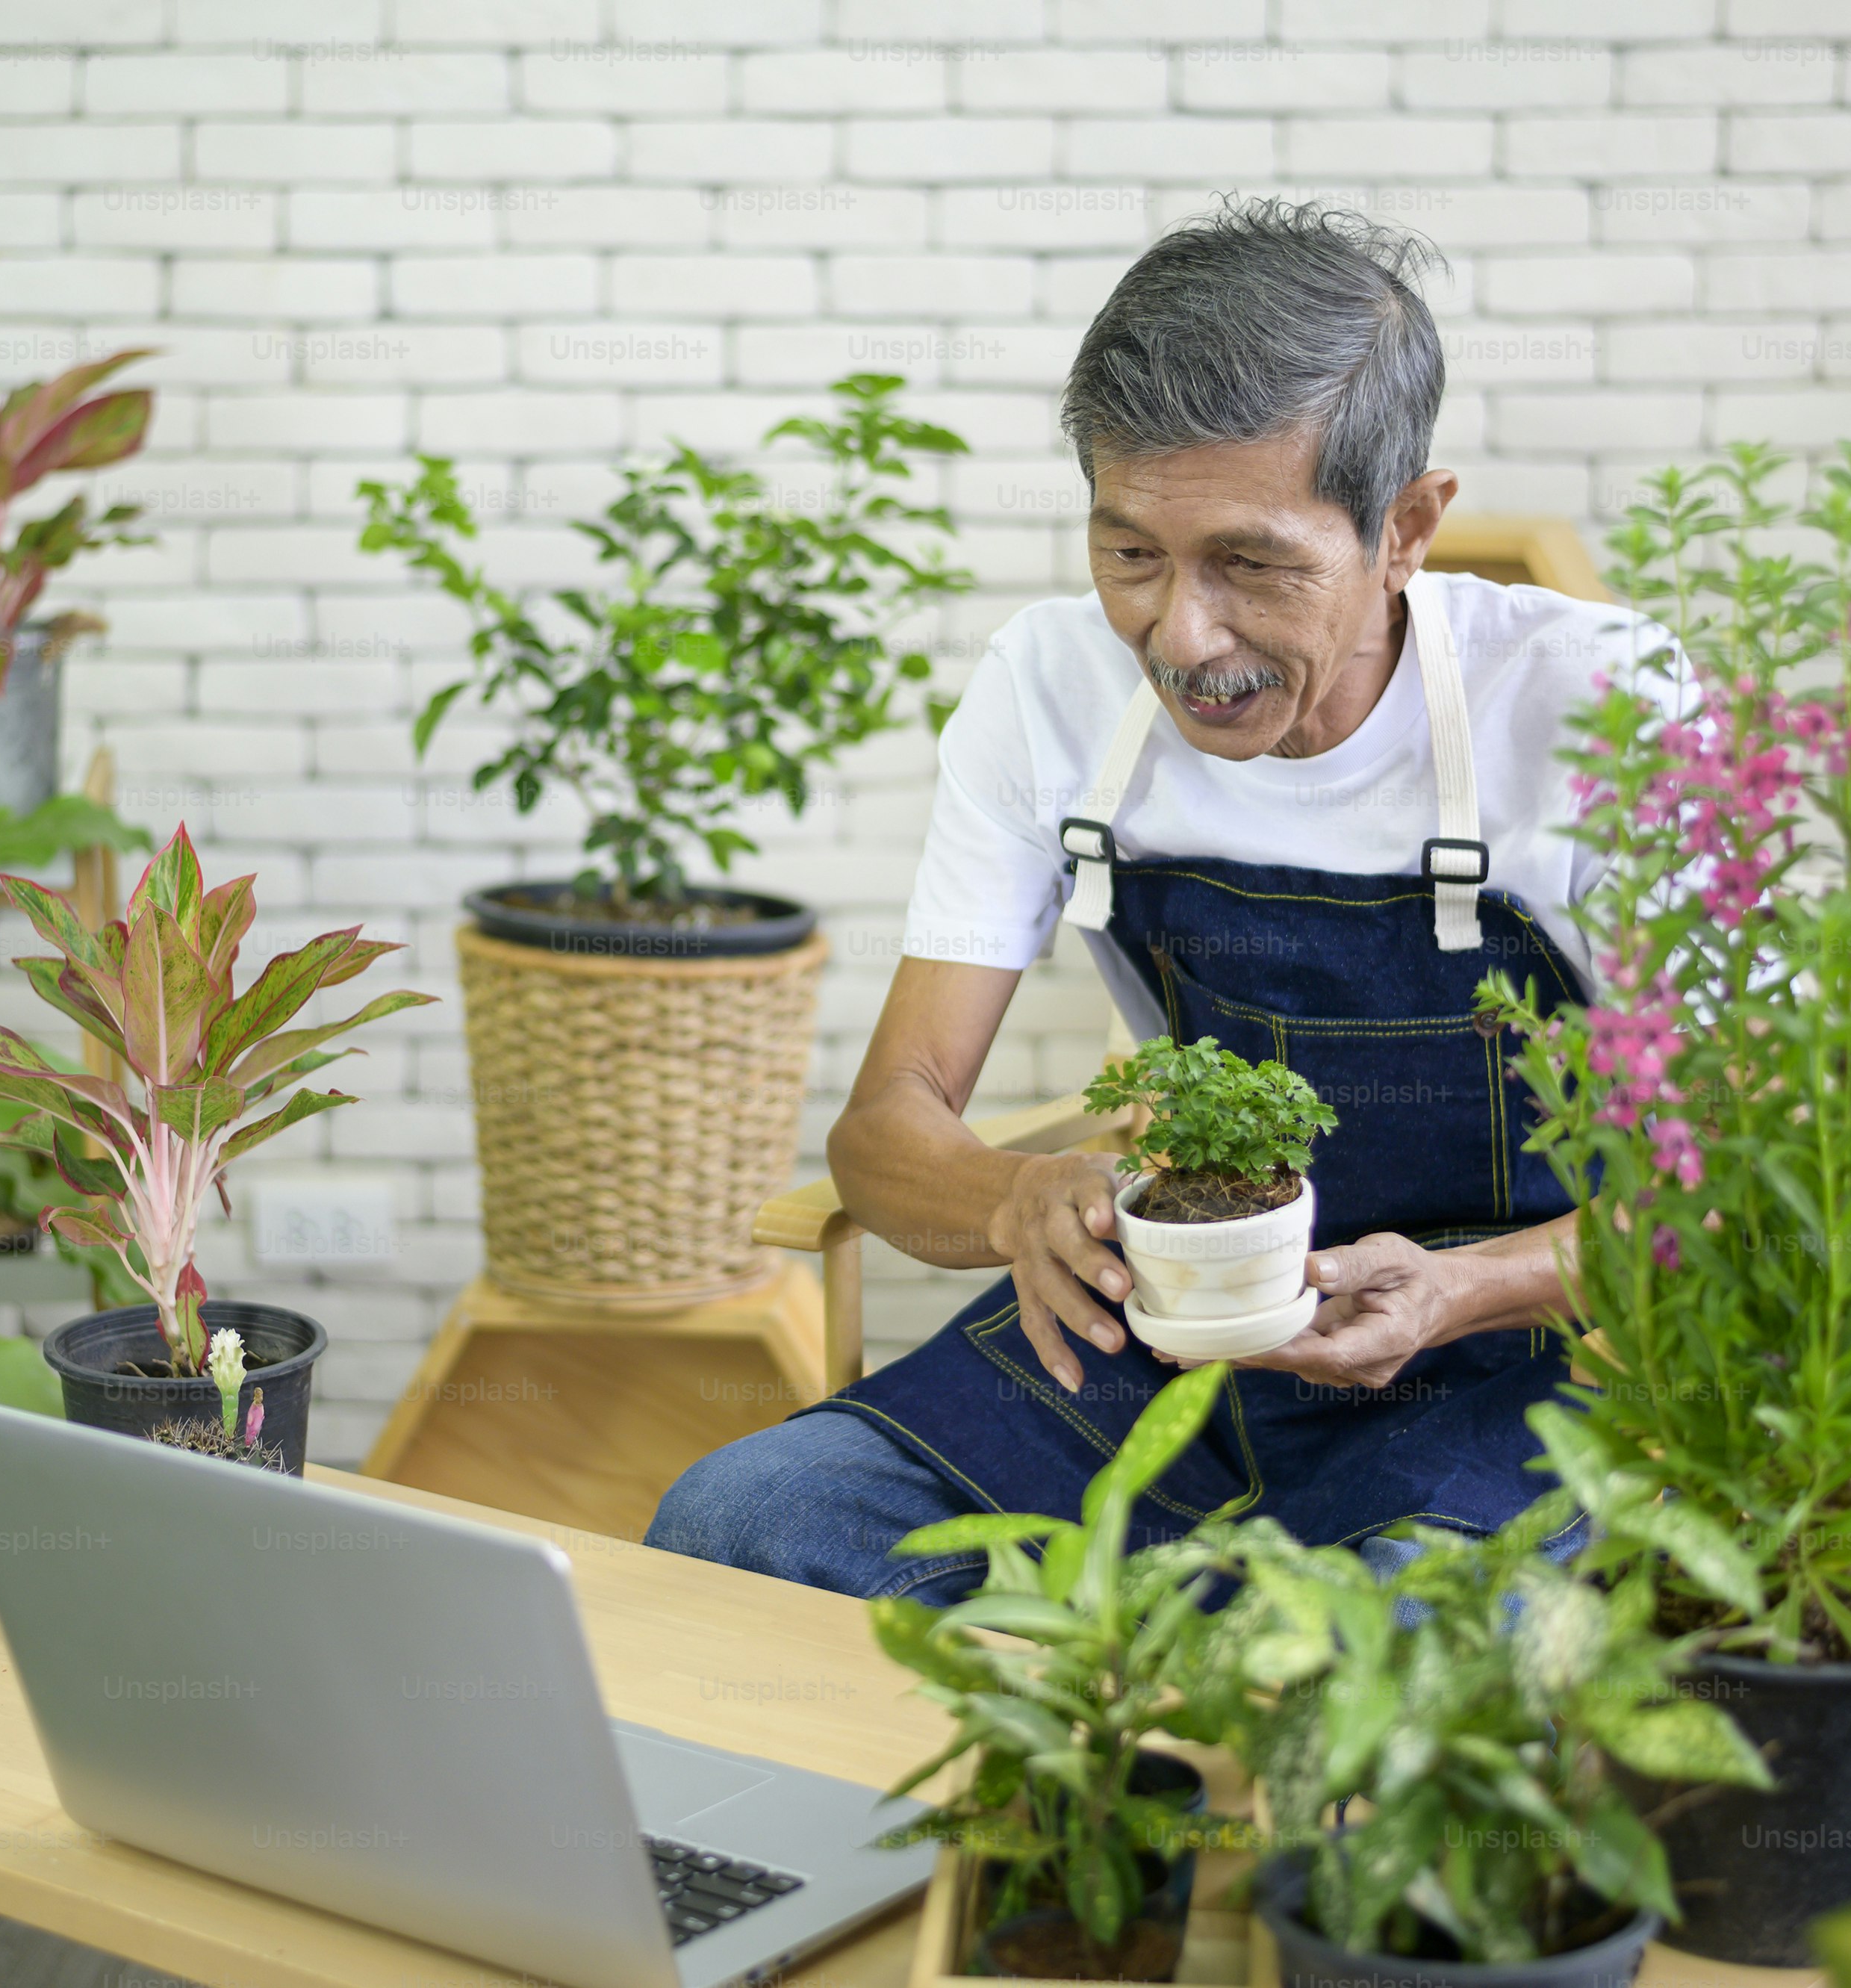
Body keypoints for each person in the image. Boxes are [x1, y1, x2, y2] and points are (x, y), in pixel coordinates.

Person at [645, 199, 1671, 1604]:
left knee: (1369, 1665)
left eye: (1251, 563)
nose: (1180, 640)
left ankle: (1155, 1803)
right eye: (1130, 553)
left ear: (1407, 527)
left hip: (1526, 1352)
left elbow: (1745, 1184)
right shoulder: (1047, 689)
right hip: (1165, 1332)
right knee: (744, 1527)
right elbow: (887, 1130)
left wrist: (1458, 1290)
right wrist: (1021, 1202)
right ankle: (1084, 1819)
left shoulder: (1601, 710)